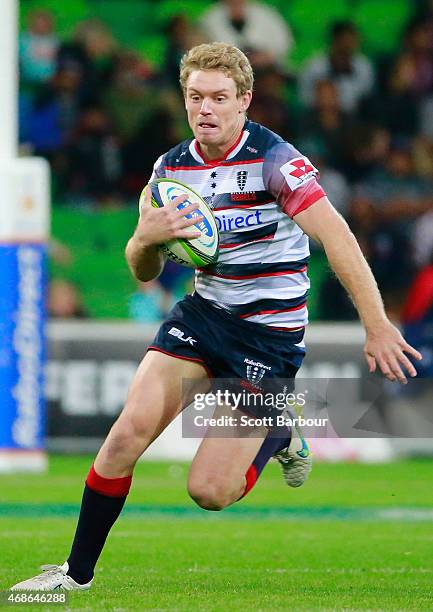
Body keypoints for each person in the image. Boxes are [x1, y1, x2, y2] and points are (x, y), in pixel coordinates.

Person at [11, 42, 422, 592]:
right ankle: (73, 575)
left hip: (268, 339)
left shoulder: (276, 160)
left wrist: (375, 324)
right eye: (195, 97)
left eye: (219, 98)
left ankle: (280, 431)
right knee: (126, 434)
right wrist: (144, 238)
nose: (206, 109)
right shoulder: (170, 170)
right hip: (202, 318)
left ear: (244, 101)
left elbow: (338, 239)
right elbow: (142, 270)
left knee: (209, 491)